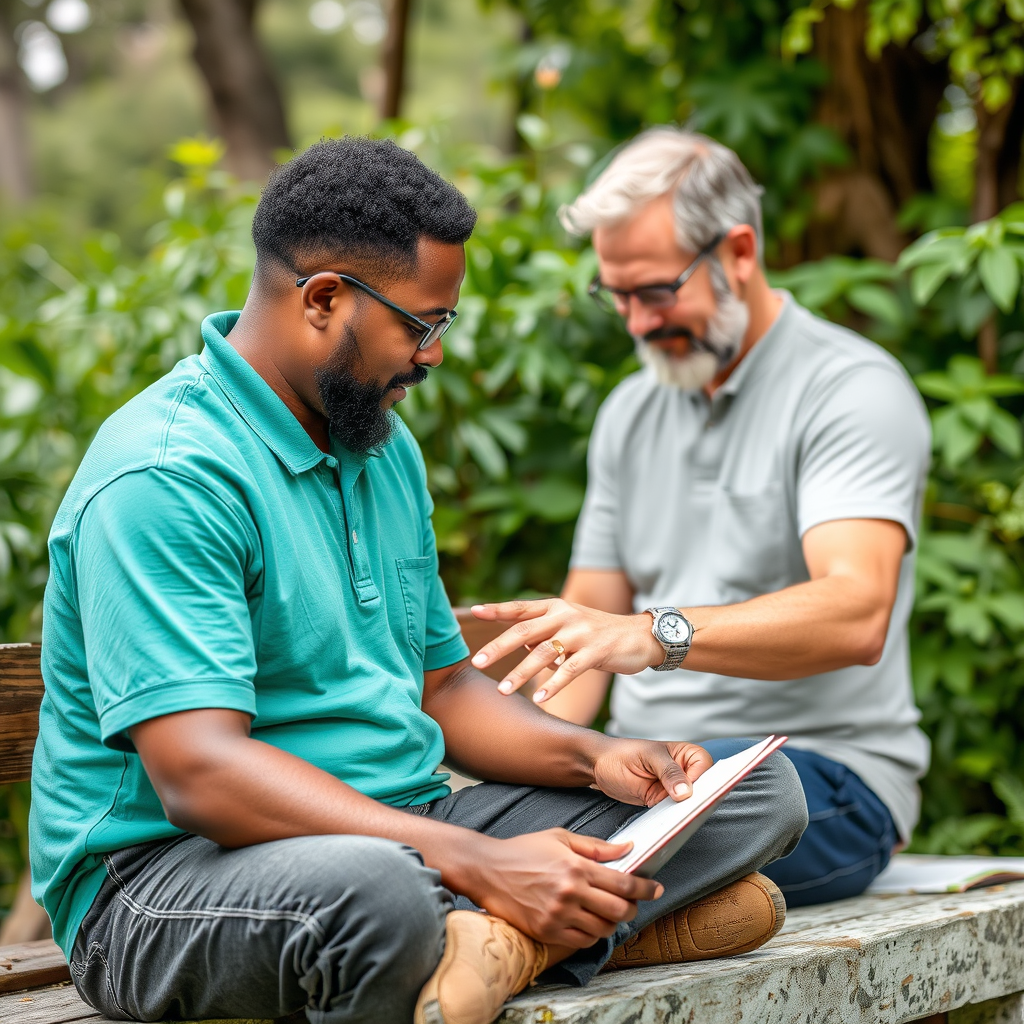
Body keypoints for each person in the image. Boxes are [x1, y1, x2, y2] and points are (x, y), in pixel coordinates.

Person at [29, 137, 807, 1024]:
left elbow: (442, 688)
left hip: (403, 824)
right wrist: (471, 861)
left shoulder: (379, 446)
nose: (433, 356)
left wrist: (596, 759)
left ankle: (498, 949)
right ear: (323, 298)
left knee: (750, 794)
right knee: (382, 898)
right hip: (168, 880)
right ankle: (519, 929)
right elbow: (199, 775)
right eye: (421, 324)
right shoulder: (167, 476)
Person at [469, 128, 931, 907]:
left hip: (818, 776)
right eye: (616, 295)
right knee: (460, 818)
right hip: (644, 769)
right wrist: (495, 741)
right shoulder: (629, 412)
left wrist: (655, 635)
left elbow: (857, 613)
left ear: (740, 252)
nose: (637, 323)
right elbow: (577, 655)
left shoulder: (851, 390)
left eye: (655, 291)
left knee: (682, 809)